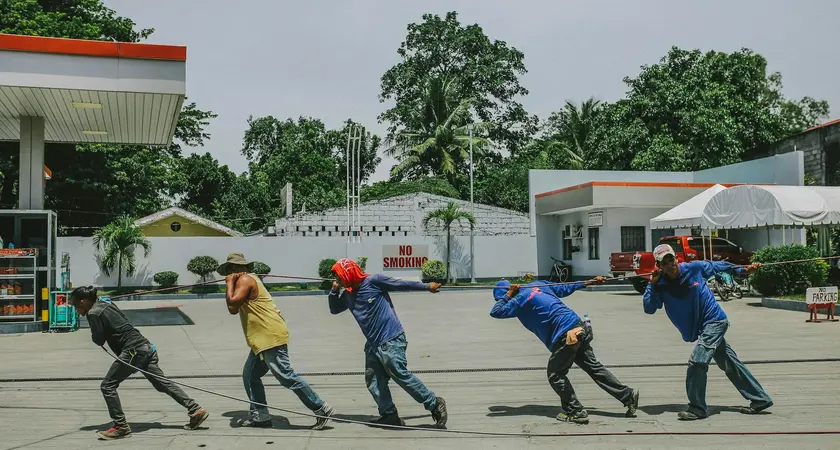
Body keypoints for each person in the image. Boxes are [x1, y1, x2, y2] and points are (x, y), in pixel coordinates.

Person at [643, 244, 773, 420]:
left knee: (697, 361)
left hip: (715, 321)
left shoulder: (694, 268)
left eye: (670, 259)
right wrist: (652, 285)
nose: (669, 265)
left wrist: (743, 270)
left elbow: (718, 266)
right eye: (664, 262)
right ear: (658, 266)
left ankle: (697, 408)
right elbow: (649, 308)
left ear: (676, 259)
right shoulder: (660, 284)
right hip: (700, 328)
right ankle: (760, 399)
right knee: (730, 363)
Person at [491, 278, 640, 424]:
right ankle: (628, 395)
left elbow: (496, 311)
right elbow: (564, 287)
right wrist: (588, 282)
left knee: (555, 375)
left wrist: (508, 295)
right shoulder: (538, 284)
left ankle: (575, 411)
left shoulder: (518, 300)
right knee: (593, 367)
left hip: (564, 335)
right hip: (578, 325)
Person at [69, 286, 209, 440]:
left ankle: (121, 426)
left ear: (83, 301)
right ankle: (195, 410)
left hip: (132, 351)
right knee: (161, 383)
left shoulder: (93, 313)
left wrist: (95, 330)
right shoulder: (106, 304)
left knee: (107, 386)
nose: (76, 309)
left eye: (75, 304)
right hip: (145, 346)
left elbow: (99, 339)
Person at [328, 258, 448, 428]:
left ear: (348, 273)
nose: (337, 278)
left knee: (400, 374)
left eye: (338, 275)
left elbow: (401, 284)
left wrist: (428, 287)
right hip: (373, 344)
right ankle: (389, 414)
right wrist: (334, 291)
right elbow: (334, 309)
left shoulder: (374, 281)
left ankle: (434, 403)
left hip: (391, 338)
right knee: (374, 380)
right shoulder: (347, 294)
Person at [221, 252, 334, 430]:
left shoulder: (245, 280)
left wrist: (228, 283)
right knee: (250, 376)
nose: (228, 274)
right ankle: (261, 416)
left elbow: (231, 305)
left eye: (229, 270)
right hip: (261, 339)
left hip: (269, 336)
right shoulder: (248, 280)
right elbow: (235, 310)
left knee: (285, 375)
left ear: (234, 268)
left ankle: (320, 407)